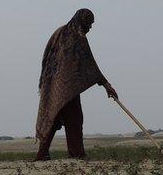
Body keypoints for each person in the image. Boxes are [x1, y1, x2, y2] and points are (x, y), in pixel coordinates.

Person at [34, 9, 117, 161]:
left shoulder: (59, 33)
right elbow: (90, 65)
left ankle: (42, 153)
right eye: (89, 24)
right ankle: (76, 154)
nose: (90, 28)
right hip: (67, 90)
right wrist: (106, 85)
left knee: (53, 117)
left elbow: (47, 58)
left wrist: (48, 83)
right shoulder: (78, 38)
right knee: (74, 120)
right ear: (82, 22)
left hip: (56, 87)